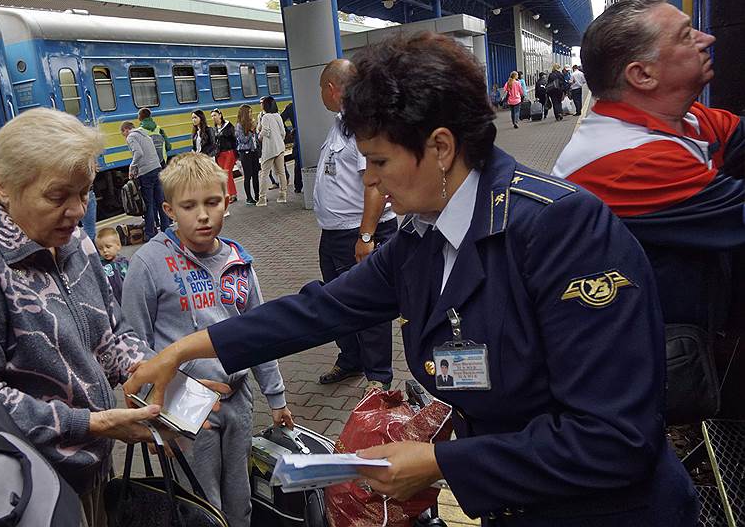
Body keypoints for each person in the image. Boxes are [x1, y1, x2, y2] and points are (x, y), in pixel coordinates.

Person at [124, 32, 699, 526]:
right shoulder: (422, 240)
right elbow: (319, 310)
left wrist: (440, 463)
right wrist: (183, 351)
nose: (371, 181)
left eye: (379, 162)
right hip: (520, 504)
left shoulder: (562, 230)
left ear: (441, 148)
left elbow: (613, 440)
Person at [0, 108, 169, 527]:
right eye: (58, 197)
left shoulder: (77, 243)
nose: (76, 211)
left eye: (84, 193)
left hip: (91, 466)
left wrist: (156, 371)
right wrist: (91, 423)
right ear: (2, 186)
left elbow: (109, 335)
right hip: (26, 485)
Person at [552, 0, 745, 413]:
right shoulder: (625, 160)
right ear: (642, 76)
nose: (707, 39)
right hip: (645, 363)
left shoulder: (683, 119)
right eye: (685, 36)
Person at [121, 152, 293, 526]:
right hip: (187, 411)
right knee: (201, 502)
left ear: (227, 202)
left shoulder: (238, 261)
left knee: (240, 497)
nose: (202, 215)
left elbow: (260, 333)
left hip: (237, 399)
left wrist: (276, 397)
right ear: (168, 209)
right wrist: (162, 409)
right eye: (189, 205)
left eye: (212, 202)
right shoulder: (148, 263)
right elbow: (133, 341)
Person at [313, 58, 398, 391]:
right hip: (335, 233)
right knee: (337, 303)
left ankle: (378, 378)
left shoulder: (364, 125)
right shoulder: (341, 123)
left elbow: (374, 183)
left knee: (368, 304)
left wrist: (366, 235)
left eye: (321, 88)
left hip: (359, 233)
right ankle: (351, 360)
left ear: (332, 89)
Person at [122, 121, 171, 241]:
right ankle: (166, 230)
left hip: (146, 173)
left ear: (126, 130)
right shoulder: (144, 134)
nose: (124, 137)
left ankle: (150, 234)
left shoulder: (131, 137)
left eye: (123, 134)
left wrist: (132, 166)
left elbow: (138, 153)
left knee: (148, 205)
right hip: (156, 168)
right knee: (160, 202)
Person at [257, 96, 287, 206]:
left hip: (269, 150)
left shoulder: (265, 117)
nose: (261, 105)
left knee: (264, 174)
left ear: (266, 105)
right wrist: (279, 141)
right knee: (281, 172)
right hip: (280, 148)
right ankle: (282, 195)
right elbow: (283, 132)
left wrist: (259, 137)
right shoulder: (278, 116)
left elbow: (265, 131)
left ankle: (262, 198)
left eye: (262, 103)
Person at [211, 108, 238, 213]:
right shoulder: (214, 129)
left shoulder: (228, 126)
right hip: (220, 154)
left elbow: (234, 139)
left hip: (229, 152)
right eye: (212, 116)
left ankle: (232, 194)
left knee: (227, 173)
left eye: (215, 115)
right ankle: (232, 194)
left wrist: (236, 153)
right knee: (225, 175)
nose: (213, 117)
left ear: (220, 115)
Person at [96, 227, 128, 305]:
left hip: (127, 298)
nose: (104, 250)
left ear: (118, 245)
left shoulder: (125, 262)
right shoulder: (100, 265)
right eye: (100, 248)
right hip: (112, 302)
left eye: (108, 247)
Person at [236, 104, 260, 205]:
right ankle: (249, 198)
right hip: (245, 152)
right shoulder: (239, 125)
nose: (251, 114)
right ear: (245, 113)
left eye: (251, 112)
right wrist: (251, 130)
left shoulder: (252, 123)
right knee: (248, 176)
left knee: (255, 175)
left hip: (253, 151)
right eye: (249, 112)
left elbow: (255, 138)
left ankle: (258, 196)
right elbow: (243, 140)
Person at [281, 101, 303, 193]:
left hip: (297, 136)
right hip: (308, 132)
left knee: (298, 162)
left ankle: (298, 186)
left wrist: (288, 131)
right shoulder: (305, 103)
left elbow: (281, 118)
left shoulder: (290, 107)